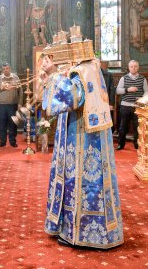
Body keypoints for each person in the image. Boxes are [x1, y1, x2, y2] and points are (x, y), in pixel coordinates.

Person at [41, 46, 123, 249]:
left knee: (82, 182)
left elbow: (73, 98)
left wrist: (53, 75)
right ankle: (77, 230)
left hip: (83, 138)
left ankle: (81, 235)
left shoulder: (84, 70)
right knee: (86, 182)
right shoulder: (92, 68)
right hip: (89, 135)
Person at [116, 60, 148, 150]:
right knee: (123, 126)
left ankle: (137, 144)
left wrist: (142, 99)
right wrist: (127, 90)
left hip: (137, 106)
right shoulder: (124, 78)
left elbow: (146, 91)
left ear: (138, 67)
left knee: (137, 127)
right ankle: (121, 144)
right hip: (125, 105)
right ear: (129, 67)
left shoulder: (143, 78)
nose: (133, 68)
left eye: (135, 66)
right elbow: (118, 91)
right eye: (131, 66)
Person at [0, 63, 22, 147]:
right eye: (4, 69)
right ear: (2, 70)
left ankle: (12, 141)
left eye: (7, 68)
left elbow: (21, 91)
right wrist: (2, 88)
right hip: (1, 105)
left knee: (13, 124)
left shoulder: (15, 78)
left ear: (10, 69)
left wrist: (20, 103)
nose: (5, 70)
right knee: (2, 124)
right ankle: (2, 141)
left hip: (13, 105)